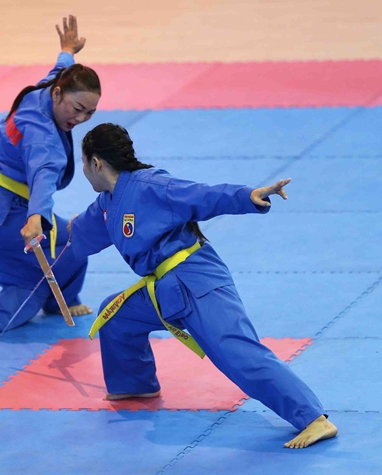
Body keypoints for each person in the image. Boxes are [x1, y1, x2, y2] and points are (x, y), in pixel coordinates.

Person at [68, 123, 338, 449]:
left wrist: (246, 196)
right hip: (165, 288)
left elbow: (202, 195)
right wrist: (46, 237)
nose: (83, 170)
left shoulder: (151, 186)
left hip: (197, 280)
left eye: (83, 163)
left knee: (237, 353)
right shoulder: (108, 203)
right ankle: (135, 383)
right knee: (116, 316)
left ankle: (313, 419)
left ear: (96, 163)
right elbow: (80, 234)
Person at [0, 15, 99, 347]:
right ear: (60, 94)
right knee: (30, 287)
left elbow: (57, 70)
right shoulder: (43, 136)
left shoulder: (45, 92)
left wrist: (67, 52)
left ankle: (56, 299)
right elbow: (43, 174)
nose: (79, 119)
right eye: (77, 109)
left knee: (78, 239)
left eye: (89, 113)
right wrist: (37, 216)